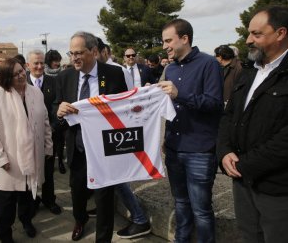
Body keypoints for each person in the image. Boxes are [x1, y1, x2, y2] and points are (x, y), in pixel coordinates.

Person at [216, 5, 288, 243]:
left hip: (276, 188)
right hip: (242, 181)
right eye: (249, 33)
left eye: (257, 34)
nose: (248, 40)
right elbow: (228, 116)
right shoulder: (248, 72)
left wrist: (245, 164)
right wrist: (225, 151)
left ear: (280, 33)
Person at [55, 31, 127, 242]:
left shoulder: (114, 74)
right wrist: (59, 112)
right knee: (77, 191)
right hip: (77, 149)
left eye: (79, 53)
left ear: (94, 51)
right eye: (71, 53)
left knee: (104, 198)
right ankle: (80, 219)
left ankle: (103, 238)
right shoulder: (64, 77)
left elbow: (124, 109)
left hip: (105, 150)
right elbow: (54, 110)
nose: (74, 58)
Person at [157, 18, 223, 243]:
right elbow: (169, 107)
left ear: (185, 38)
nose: (165, 46)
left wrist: (179, 94)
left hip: (200, 150)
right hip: (174, 148)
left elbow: (214, 104)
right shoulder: (170, 68)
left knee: (201, 210)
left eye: (168, 40)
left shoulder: (209, 64)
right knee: (181, 203)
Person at [0, 57, 53, 243]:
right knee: (6, 204)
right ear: (7, 78)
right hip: (9, 162)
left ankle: (26, 221)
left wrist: (48, 146)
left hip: (33, 156)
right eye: (16, 74)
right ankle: (5, 234)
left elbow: (45, 122)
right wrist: (1, 159)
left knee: (27, 197)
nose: (21, 75)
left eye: (22, 70)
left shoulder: (35, 92)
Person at [96, 38, 152, 238]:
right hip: (104, 133)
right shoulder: (97, 71)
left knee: (118, 178)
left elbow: (128, 99)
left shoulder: (116, 70)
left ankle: (139, 218)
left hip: (118, 132)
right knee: (110, 177)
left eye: (95, 52)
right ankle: (106, 208)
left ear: (103, 51)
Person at [26, 49, 62, 215]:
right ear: (28, 65)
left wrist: (52, 127)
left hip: (49, 135)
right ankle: (31, 203)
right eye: (36, 63)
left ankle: (49, 200)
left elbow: (56, 105)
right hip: (27, 138)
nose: (39, 66)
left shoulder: (53, 82)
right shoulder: (21, 83)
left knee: (48, 169)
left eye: (42, 63)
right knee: (29, 171)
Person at [44, 49, 67, 174]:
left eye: (58, 61)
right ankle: (51, 162)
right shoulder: (43, 76)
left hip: (59, 113)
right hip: (46, 113)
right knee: (50, 141)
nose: (57, 64)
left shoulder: (62, 74)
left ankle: (60, 162)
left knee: (60, 140)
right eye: (55, 61)